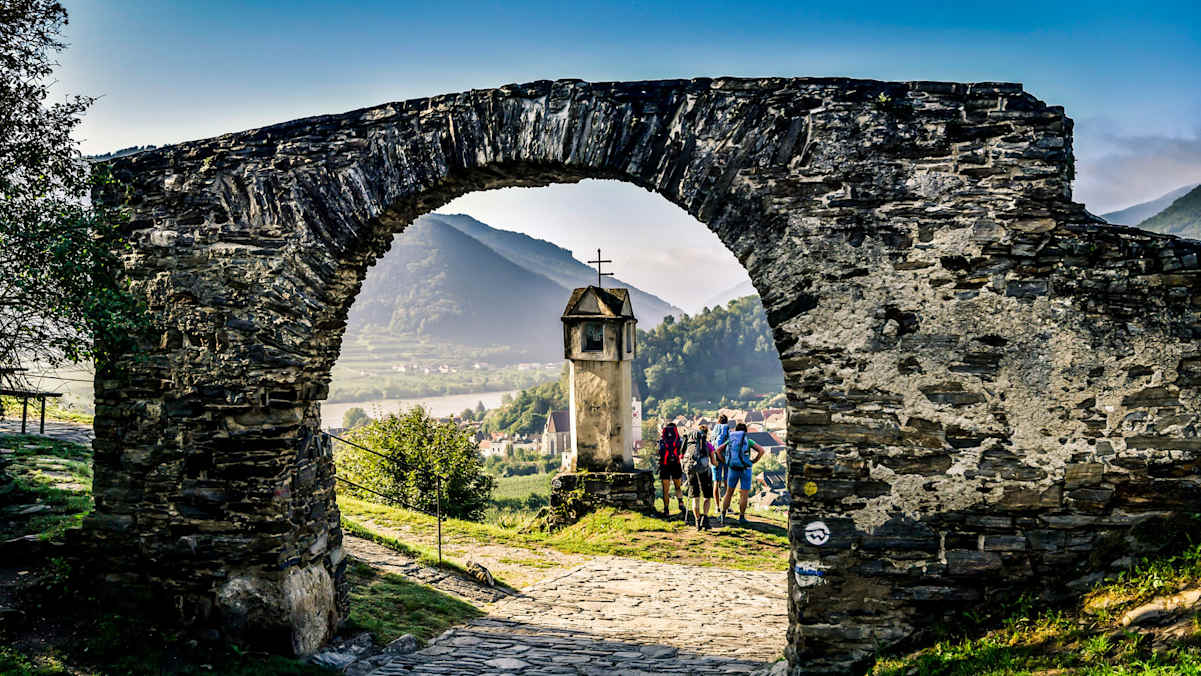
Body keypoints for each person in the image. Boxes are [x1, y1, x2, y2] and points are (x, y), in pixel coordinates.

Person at [716, 422, 765, 526]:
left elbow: (718, 450)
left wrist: (725, 461)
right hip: (746, 469)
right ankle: (742, 517)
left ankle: (722, 515)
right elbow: (761, 450)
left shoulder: (731, 439)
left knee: (729, 492)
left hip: (733, 468)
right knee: (744, 494)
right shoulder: (749, 441)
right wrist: (754, 461)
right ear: (745, 432)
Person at [682, 425, 716, 531]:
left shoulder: (689, 444)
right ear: (706, 434)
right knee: (707, 496)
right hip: (704, 471)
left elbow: (682, 454)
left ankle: (697, 522)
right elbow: (714, 462)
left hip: (691, 468)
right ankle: (705, 519)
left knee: (695, 497)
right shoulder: (708, 445)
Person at [657, 422, 686, 518]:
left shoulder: (662, 440)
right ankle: (680, 502)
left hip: (664, 465)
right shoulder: (679, 440)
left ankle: (666, 509)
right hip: (676, 464)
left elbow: (659, 452)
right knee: (678, 486)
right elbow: (682, 452)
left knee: (666, 490)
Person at [710, 414, 731, 521]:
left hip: (714, 458)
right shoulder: (726, 428)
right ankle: (727, 506)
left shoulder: (714, 430)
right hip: (725, 458)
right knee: (727, 481)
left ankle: (717, 507)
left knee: (716, 483)